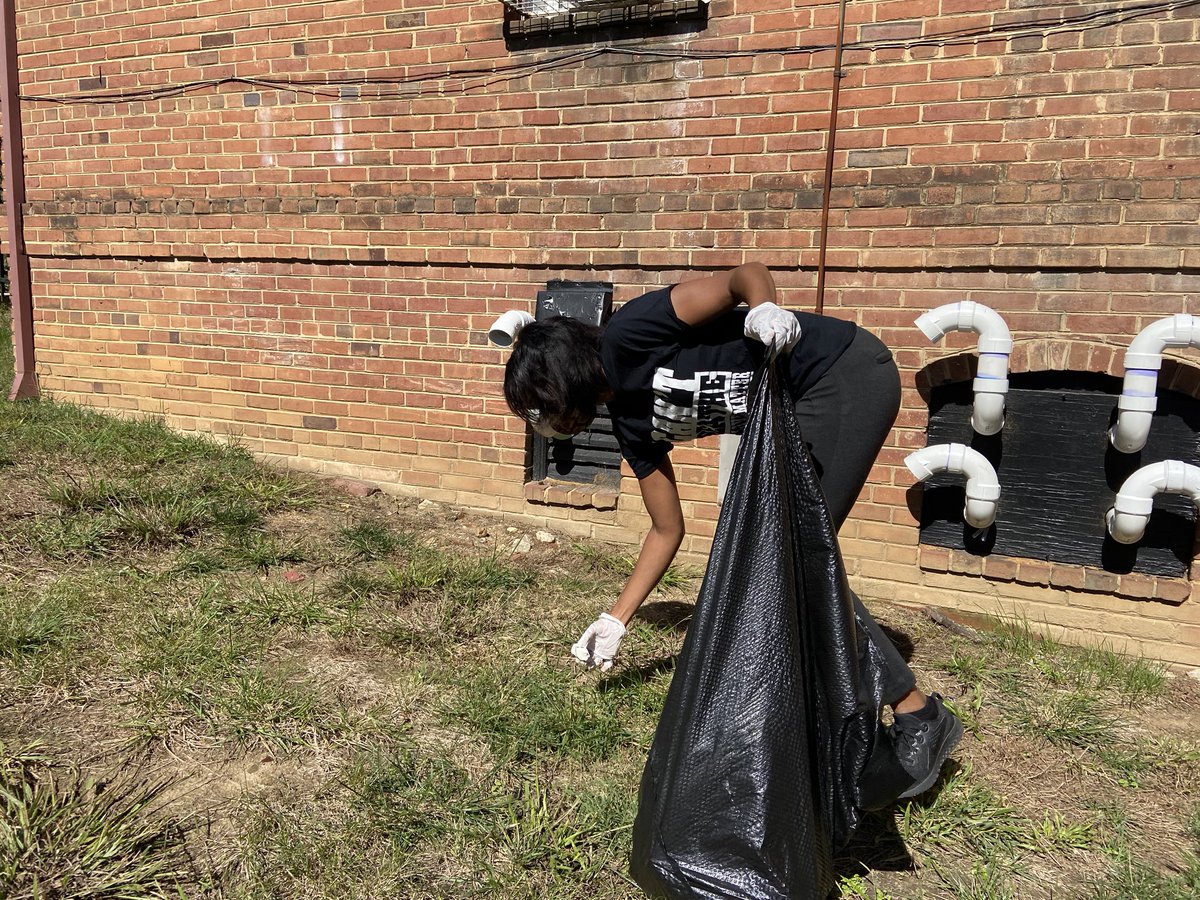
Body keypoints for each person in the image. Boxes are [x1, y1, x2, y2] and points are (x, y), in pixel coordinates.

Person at [503, 262, 961, 798]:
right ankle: (832, 718)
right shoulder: (629, 423)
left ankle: (918, 715)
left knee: (792, 557)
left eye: (542, 405)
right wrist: (616, 618)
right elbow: (666, 529)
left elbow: (744, 276)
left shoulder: (631, 331)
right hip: (794, 413)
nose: (546, 422)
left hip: (840, 374)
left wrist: (765, 307)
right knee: (774, 561)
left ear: (561, 378)